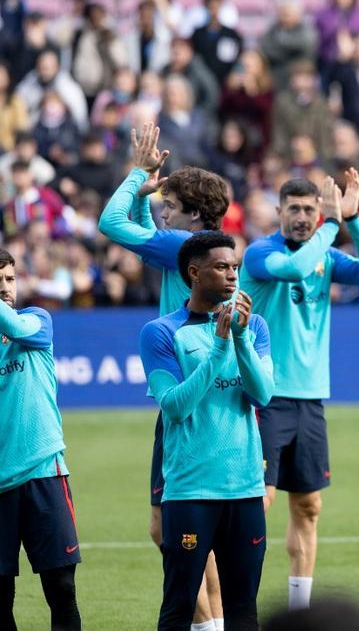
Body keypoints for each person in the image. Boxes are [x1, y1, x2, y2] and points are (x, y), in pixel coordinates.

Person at [98, 123, 230, 631]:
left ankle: (204, 627)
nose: (161, 214)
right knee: (196, 531)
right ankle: (215, 624)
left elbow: (112, 225)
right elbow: (137, 236)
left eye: (168, 206)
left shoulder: (181, 244)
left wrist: (136, 176)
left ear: (193, 214)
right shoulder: (203, 248)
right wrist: (147, 185)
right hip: (210, 383)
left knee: (168, 529)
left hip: (183, 387)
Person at [240, 171, 359, 610]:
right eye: (295, 209)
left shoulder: (326, 252)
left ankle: (298, 609)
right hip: (267, 396)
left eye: (310, 209)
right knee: (255, 503)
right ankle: (234, 602)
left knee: (308, 507)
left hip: (311, 398)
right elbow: (295, 267)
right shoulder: (261, 253)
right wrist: (330, 225)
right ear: (279, 211)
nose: (303, 217)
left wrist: (353, 220)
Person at [139, 232, 274, 631]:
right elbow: (176, 407)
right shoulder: (161, 332)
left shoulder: (255, 326)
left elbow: (262, 395)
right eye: (221, 267)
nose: (233, 276)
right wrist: (219, 347)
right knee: (179, 608)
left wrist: (240, 339)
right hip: (190, 491)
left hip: (246, 489)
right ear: (194, 273)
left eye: (234, 268)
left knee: (244, 612)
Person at [0, 248, 82, 631]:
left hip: (43, 474)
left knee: (62, 588)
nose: (5, 288)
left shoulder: (37, 320)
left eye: (9, 279)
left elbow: (15, 329)